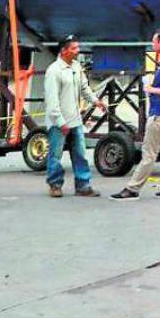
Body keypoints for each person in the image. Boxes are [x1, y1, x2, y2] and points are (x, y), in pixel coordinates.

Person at [112, 28, 160, 200]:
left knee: (149, 154)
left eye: (154, 41)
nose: (152, 44)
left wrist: (150, 88)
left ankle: (132, 189)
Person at [43, 35, 106, 198]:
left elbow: (84, 88)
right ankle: (55, 185)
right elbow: (52, 100)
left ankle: (83, 185)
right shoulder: (54, 71)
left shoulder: (76, 67)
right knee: (55, 155)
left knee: (80, 154)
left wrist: (96, 101)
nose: (78, 51)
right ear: (64, 51)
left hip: (75, 120)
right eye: (74, 48)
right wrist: (60, 122)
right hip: (59, 122)